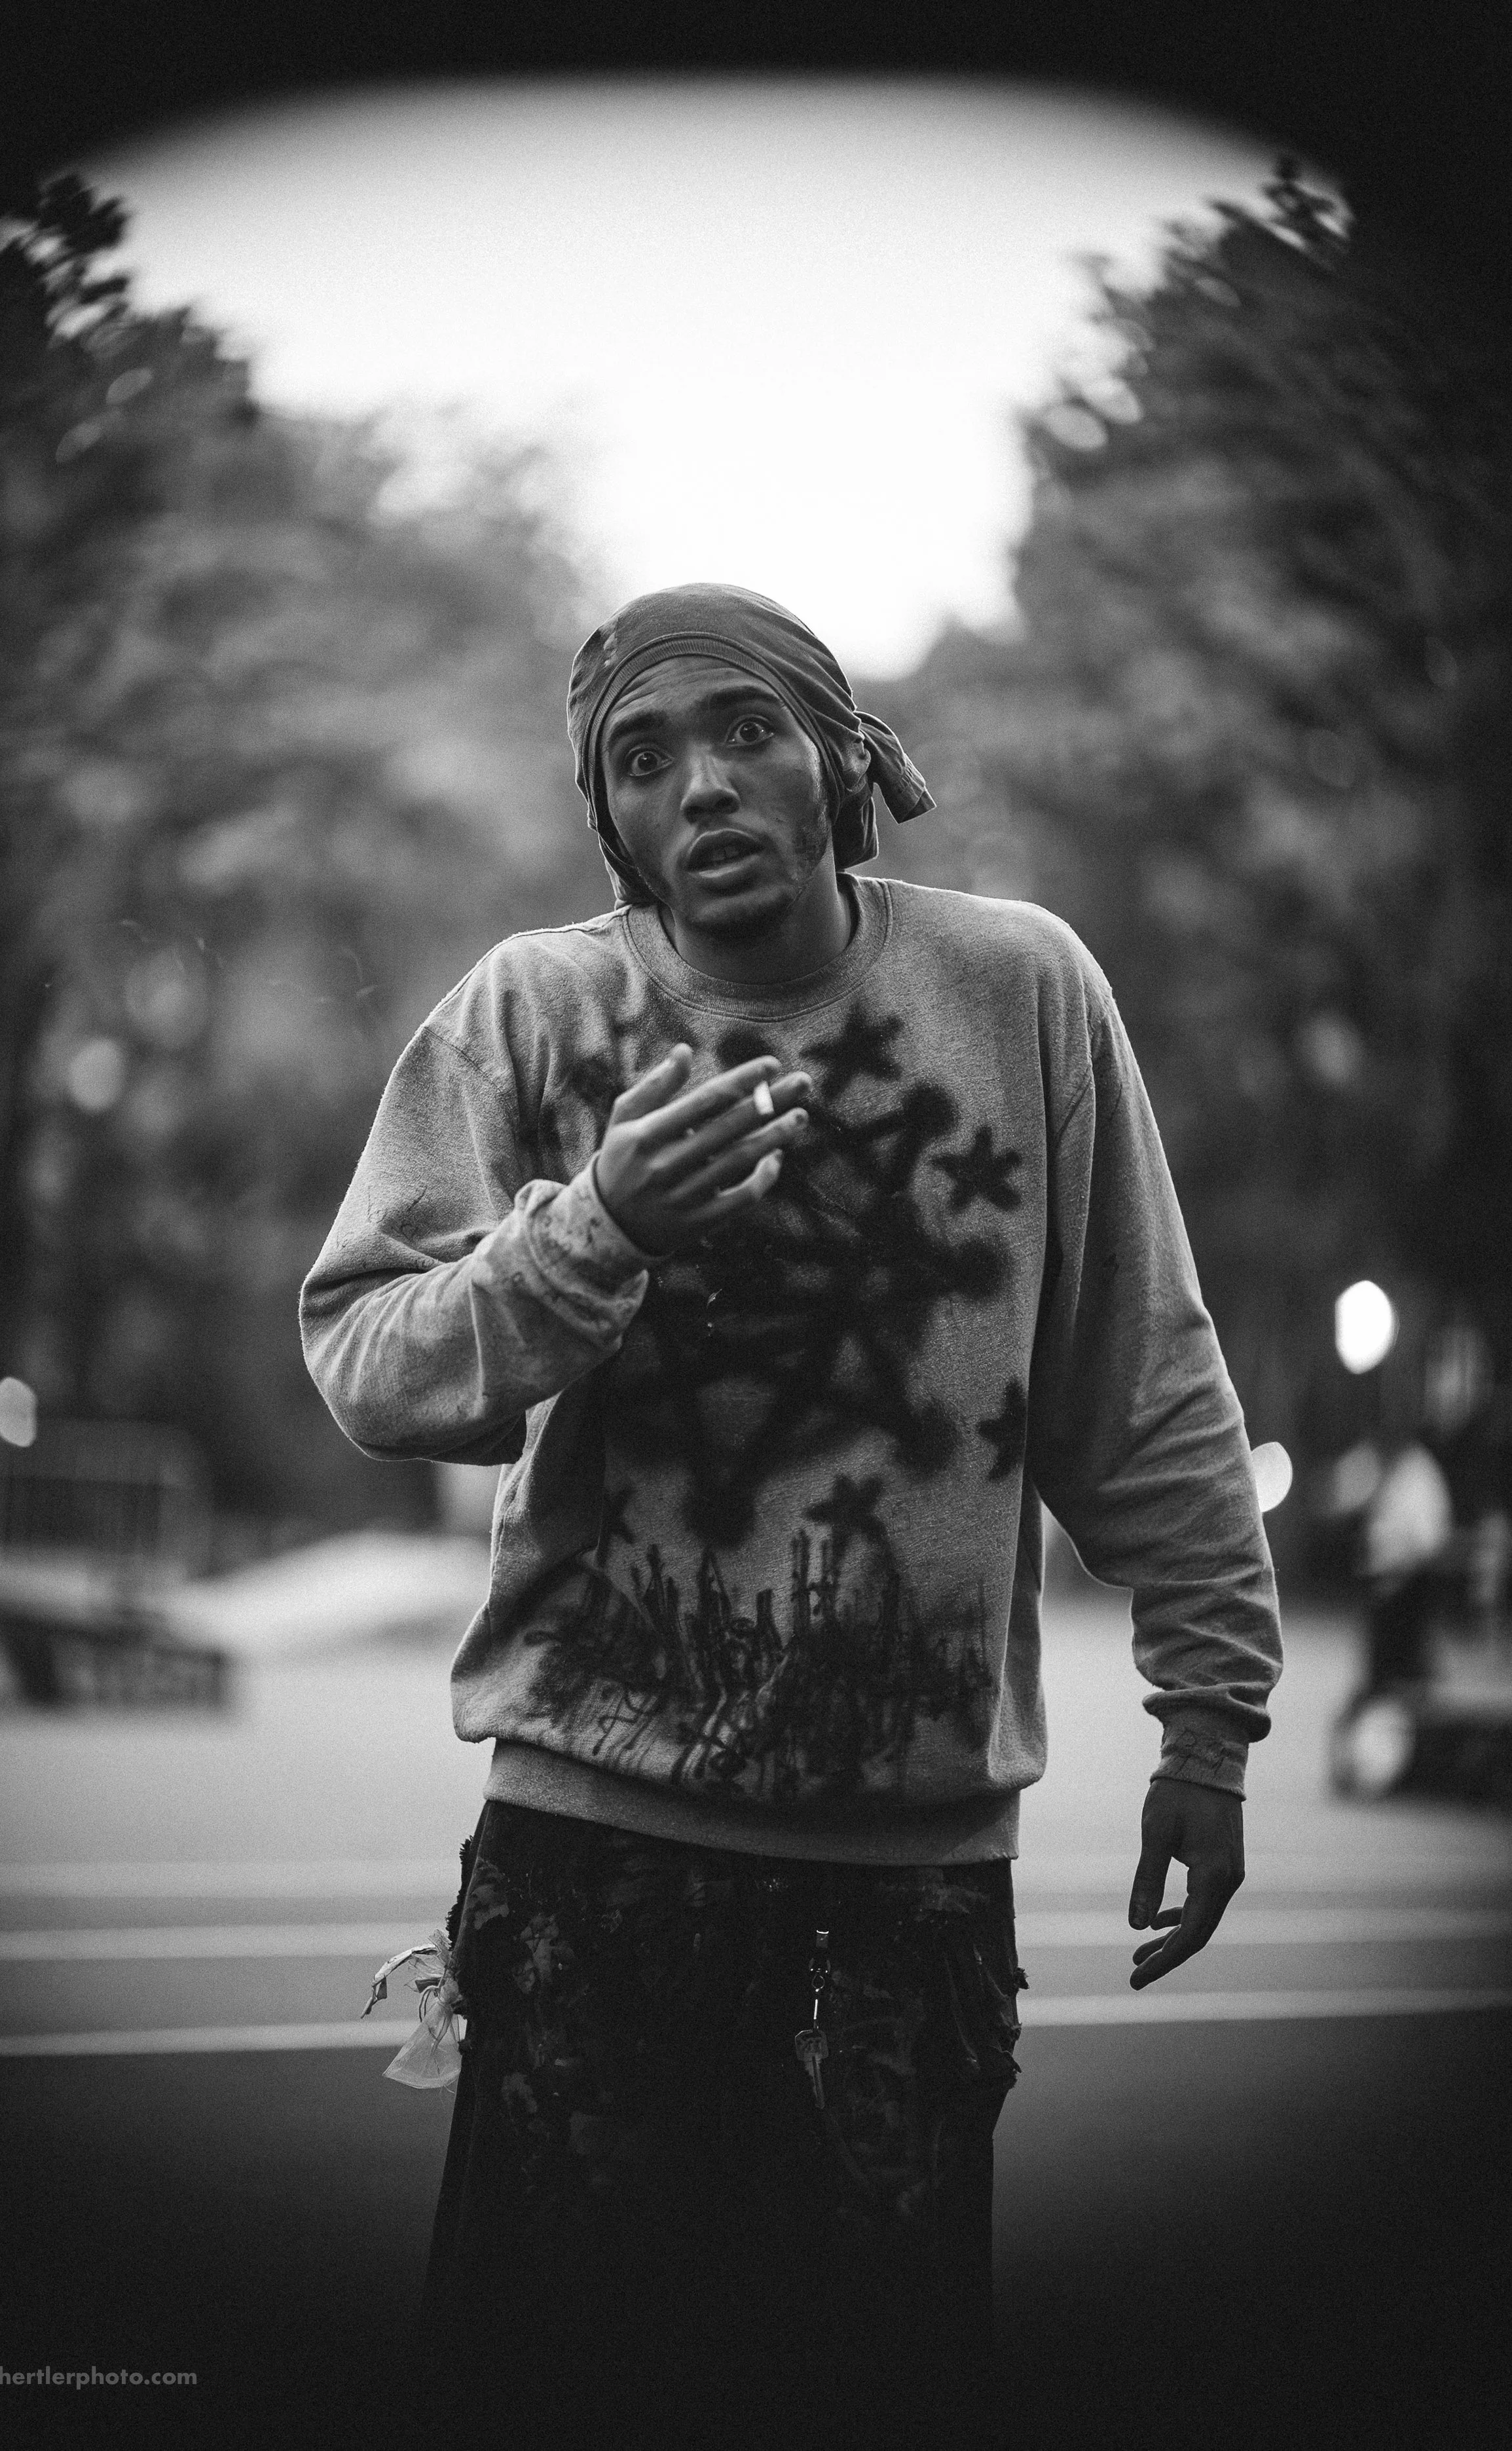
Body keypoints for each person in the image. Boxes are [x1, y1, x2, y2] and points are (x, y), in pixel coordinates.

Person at [300, 583, 1283, 2451]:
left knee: (872, 2391)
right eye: (643, 760)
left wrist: (1211, 1719)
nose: (705, 787)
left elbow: (1140, 1383)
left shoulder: (1020, 990)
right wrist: (597, 1232)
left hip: (901, 1894)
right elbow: (369, 1359)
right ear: (611, 822)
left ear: (846, 765)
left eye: (745, 729)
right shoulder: (536, 1010)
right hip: (589, 1867)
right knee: (548, 2390)